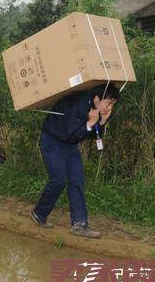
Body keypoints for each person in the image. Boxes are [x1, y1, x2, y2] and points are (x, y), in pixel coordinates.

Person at [31, 84, 120, 238]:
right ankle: (39, 213)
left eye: (113, 104)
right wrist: (90, 123)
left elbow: (89, 136)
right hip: (53, 141)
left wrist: (101, 121)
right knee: (58, 180)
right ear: (98, 98)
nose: (110, 107)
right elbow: (72, 134)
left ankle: (79, 224)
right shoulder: (76, 105)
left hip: (70, 145)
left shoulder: (93, 107)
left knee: (76, 180)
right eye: (109, 102)